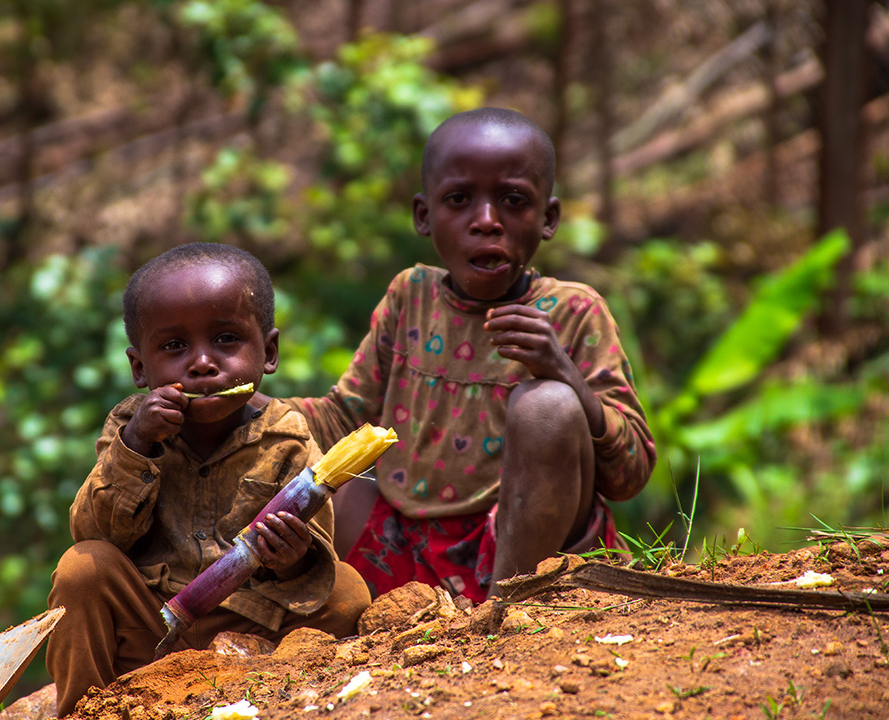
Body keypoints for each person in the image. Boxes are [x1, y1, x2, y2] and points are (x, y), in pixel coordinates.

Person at [267, 107, 656, 604]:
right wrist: (257, 411)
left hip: (521, 543)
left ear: (548, 219)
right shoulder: (411, 296)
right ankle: (381, 614)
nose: (487, 222)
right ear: (424, 216)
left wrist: (564, 374)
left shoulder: (575, 312)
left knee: (549, 407)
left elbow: (629, 475)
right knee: (335, 486)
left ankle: (508, 611)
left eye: (514, 201)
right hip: (406, 542)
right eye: (459, 200)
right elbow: (345, 415)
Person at [46, 243, 372, 717]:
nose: (202, 363)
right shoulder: (129, 427)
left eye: (225, 339)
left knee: (346, 589)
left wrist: (293, 560)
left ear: (269, 352)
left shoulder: (288, 437)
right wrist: (137, 446)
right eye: (175, 347)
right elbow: (95, 533)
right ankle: (82, 711)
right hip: (150, 627)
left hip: (253, 631)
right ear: (140, 368)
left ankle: (311, 703)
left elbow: (317, 554)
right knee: (82, 566)